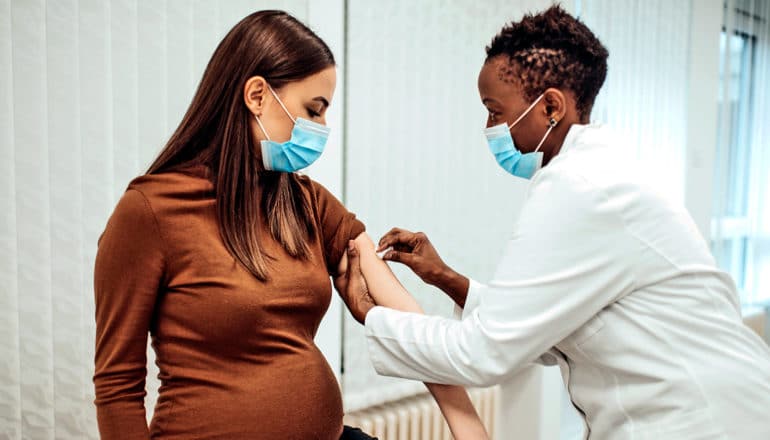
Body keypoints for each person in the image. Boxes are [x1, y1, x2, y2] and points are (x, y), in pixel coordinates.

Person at [338, 6, 770, 439]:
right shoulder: (596, 178)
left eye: (494, 110)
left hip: (704, 421)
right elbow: (542, 328)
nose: (489, 128)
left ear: (550, 107)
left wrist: (369, 314)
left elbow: (483, 353)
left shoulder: (580, 188)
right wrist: (447, 278)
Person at [93, 10, 487, 440]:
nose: (322, 129)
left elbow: (411, 323)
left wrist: (470, 430)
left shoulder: (306, 202)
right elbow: (117, 386)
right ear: (257, 95)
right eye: (313, 111)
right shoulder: (149, 211)